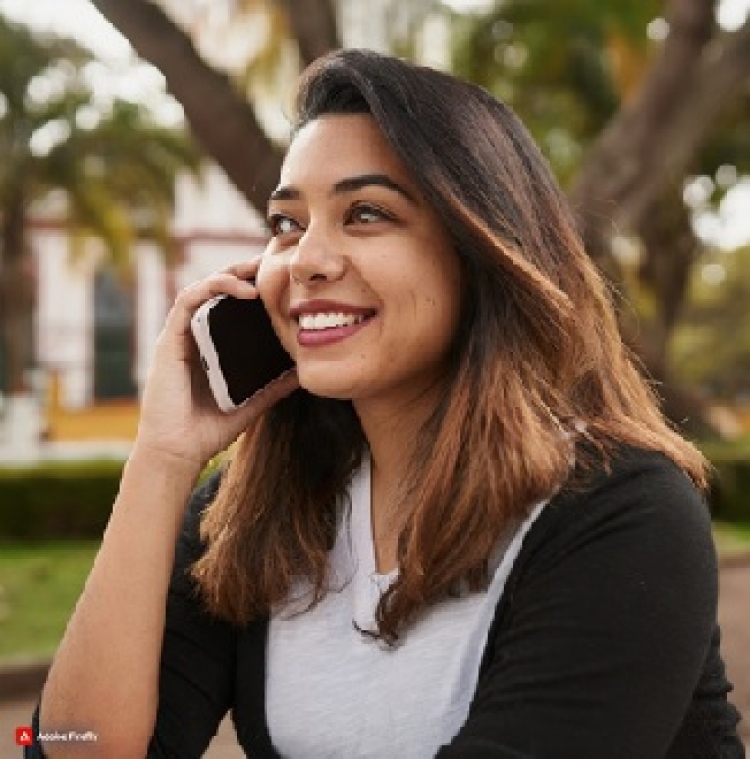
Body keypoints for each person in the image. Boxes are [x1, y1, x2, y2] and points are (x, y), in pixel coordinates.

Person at [28, 49, 743, 758]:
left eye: (365, 213)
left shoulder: (620, 512)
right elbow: (75, 750)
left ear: (480, 250)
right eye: (286, 223)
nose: (305, 258)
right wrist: (161, 459)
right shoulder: (262, 511)